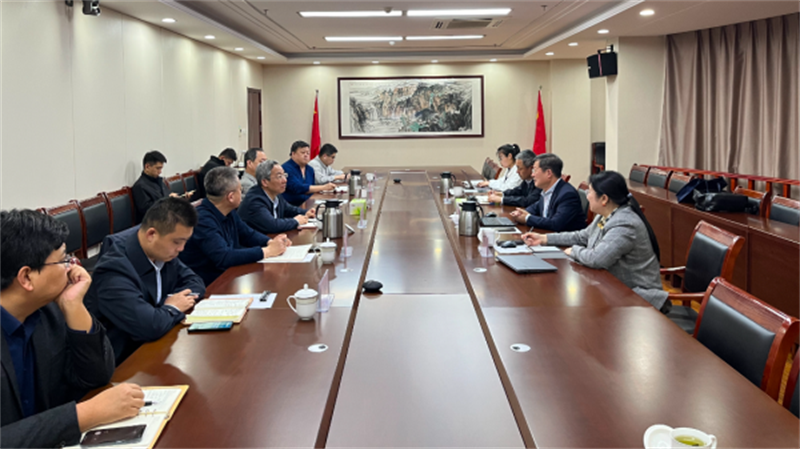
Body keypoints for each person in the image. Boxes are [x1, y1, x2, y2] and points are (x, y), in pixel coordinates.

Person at [0, 210, 145, 449]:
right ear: (26, 277)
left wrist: (73, 305)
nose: (72, 267)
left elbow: (96, 376)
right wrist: (83, 415)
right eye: (63, 260)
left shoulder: (45, 310)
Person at [522, 171, 669, 311]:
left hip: (638, 298)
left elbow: (597, 259)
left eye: (590, 192)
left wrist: (574, 251)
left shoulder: (625, 223)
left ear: (604, 199)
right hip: (611, 289)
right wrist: (544, 239)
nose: (587, 196)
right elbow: (581, 236)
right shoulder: (606, 214)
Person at [85, 198, 206, 364]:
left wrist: (165, 309)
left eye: (185, 242)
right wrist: (172, 308)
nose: (181, 249)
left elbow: (196, 282)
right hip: (123, 363)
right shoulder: (113, 270)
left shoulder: (163, 254)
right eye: (177, 242)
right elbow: (149, 327)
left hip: (158, 347)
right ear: (151, 234)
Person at [180, 166, 291, 285]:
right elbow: (224, 257)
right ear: (231, 197)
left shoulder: (228, 210)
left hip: (229, 275)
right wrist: (267, 251)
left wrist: (271, 242)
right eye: (240, 190)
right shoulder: (202, 220)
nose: (242, 194)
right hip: (210, 284)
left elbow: (248, 234)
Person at [510, 153, 586, 231]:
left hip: (562, 237)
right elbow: (536, 207)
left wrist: (527, 218)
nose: (532, 175)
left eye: (535, 170)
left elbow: (556, 224)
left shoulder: (567, 195)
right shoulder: (547, 190)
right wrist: (521, 213)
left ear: (548, 173)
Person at [239, 160, 316, 234]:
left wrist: (306, 212)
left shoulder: (276, 194)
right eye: (279, 176)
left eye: (284, 175)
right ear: (265, 182)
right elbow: (272, 225)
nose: (285, 180)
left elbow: (289, 209)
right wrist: (296, 221)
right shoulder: (255, 200)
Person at [281, 140, 336, 206]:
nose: (306, 155)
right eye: (303, 153)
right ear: (293, 154)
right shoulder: (286, 168)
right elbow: (298, 188)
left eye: (308, 153)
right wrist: (323, 187)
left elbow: (311, 190)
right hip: (291, 206)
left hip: (309, 204)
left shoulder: (310, 169)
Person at [131, 150, 176, 223]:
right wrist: (168, 200)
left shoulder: (159, 181)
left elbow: (166, 197)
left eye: (161, 168)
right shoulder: (140, 186)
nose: (160, 172)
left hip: (165, 218)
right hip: (153, 223)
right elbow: (147, 210)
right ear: (147, 167)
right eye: (158, 168)